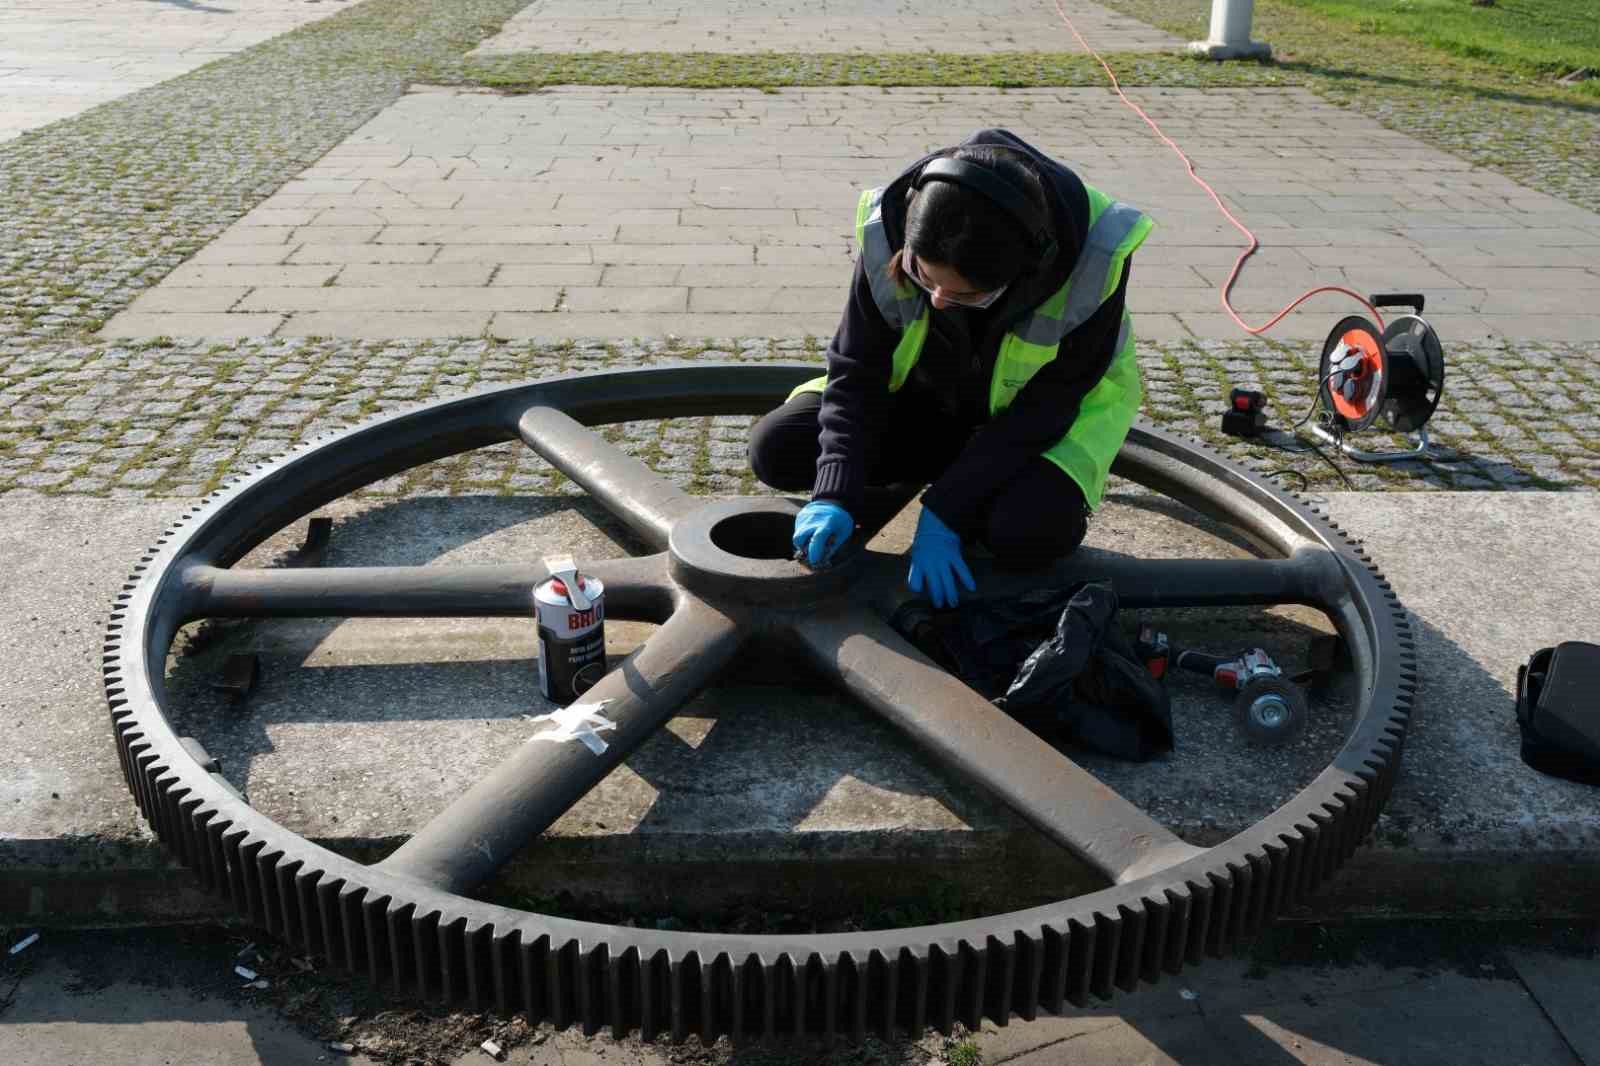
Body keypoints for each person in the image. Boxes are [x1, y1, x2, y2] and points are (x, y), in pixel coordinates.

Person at [747, 129, 1153, 609]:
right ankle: (949, 482)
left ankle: (978, 495)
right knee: (778, 447)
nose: (938, 300)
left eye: (967, 295)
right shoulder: (891, 227)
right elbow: (857, 368)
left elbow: (1051, 405)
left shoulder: (1096, 257)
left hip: (1034, 429)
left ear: (1026, 271)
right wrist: (833, 490)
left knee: (1028, 533)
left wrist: (948, 508)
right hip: (927, 406)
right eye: (922, 275)